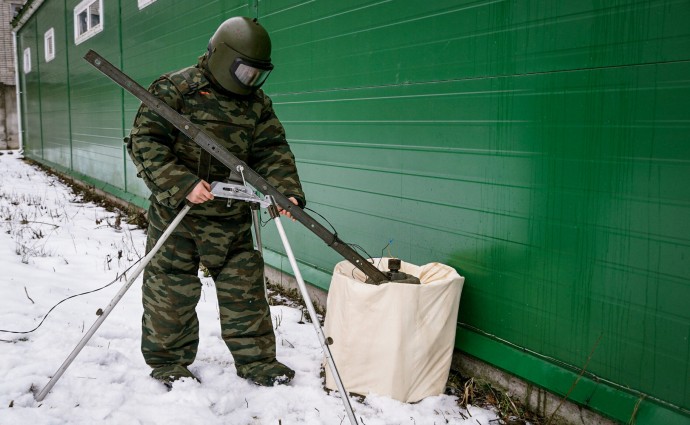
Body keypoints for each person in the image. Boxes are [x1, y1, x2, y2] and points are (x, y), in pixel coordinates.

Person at [125, 17, 305, 388]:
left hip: (232, 213)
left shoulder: (257, 105)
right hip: (181, 210)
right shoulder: (177, 88)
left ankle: (258, 363)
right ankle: (168, 362)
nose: (250, 81)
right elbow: (145, 140)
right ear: (222, 56)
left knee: (246, 290)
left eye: (258, 74)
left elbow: (272, 150)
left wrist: (284, 190)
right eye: (244, 71)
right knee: (171, 289)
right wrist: (182, 183)